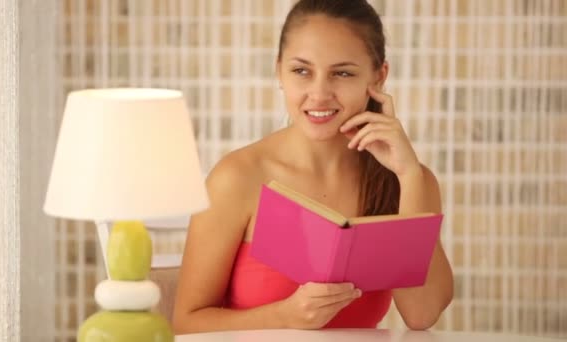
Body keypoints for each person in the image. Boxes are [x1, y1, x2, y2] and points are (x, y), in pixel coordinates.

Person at [173, 0, 453, 333]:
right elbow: (186, 323)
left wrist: (408, 176)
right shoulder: (237, 179)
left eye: (343, 73)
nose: (319, 94)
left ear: (379, 77)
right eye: (302, 71)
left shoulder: (408, 182)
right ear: (279, 71)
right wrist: (284, 317)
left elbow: (421, 315)